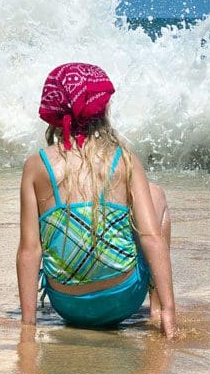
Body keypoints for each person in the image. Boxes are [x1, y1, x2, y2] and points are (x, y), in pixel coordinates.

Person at [16, 62, 176, 338]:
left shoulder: (36, 165)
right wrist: (171, 312)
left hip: (67, 305)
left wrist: (28, 326)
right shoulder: (123, 159)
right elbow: (150, 237)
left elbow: (29, 250)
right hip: (123, 299)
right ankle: (157, 308)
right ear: (101, 107)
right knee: (155, 194)